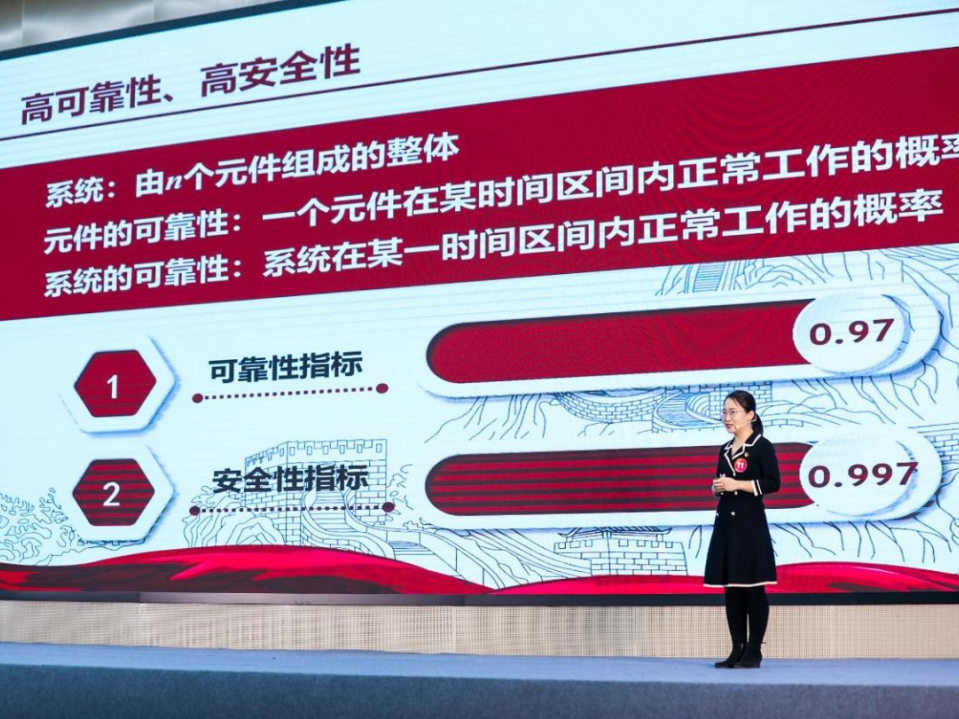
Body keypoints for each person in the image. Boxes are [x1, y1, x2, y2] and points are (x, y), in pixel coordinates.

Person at [704, 389, 780, 669]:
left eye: (733, 412)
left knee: (753, 588)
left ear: (750, 415)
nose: (727, 417)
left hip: (750, 525)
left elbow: (773, 482)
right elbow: (721, 482)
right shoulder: (725, 449)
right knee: (732, 589)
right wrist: (716, 488)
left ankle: (754, 650)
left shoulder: (762, 446)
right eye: (724, 412)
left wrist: (738, 484)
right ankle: (736, 648)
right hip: (727, 523)